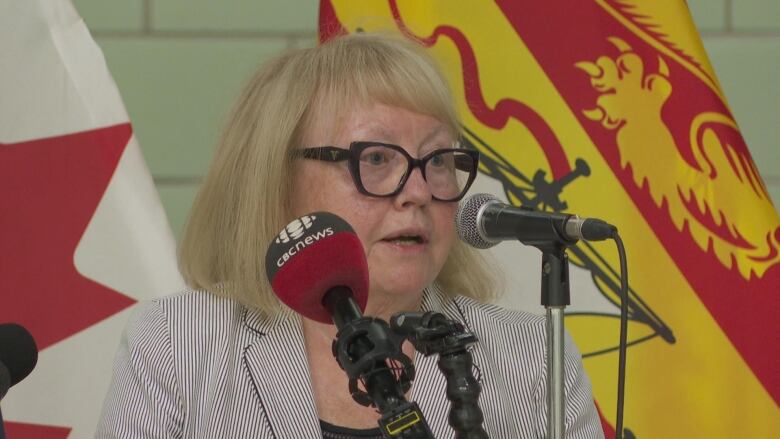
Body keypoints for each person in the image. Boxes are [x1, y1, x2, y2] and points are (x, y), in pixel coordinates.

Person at [96, 32, 604, 438]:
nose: (419, 191)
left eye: (439, 160)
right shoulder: (177, 343)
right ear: (277, 182)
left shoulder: (531, 357)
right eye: (377, 158)